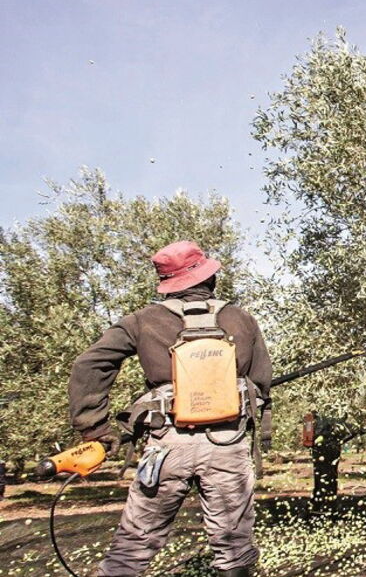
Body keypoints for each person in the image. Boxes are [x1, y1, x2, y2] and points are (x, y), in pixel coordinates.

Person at [68, 241, 272, 577]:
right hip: (227, 446)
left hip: (167, 445)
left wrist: (95, 428)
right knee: (234, 547)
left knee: (133, 546)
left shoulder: (142, 321)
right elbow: (262, 381)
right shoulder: (242, 320)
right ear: (209, 278)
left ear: (168, 283)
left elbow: (90, 364)